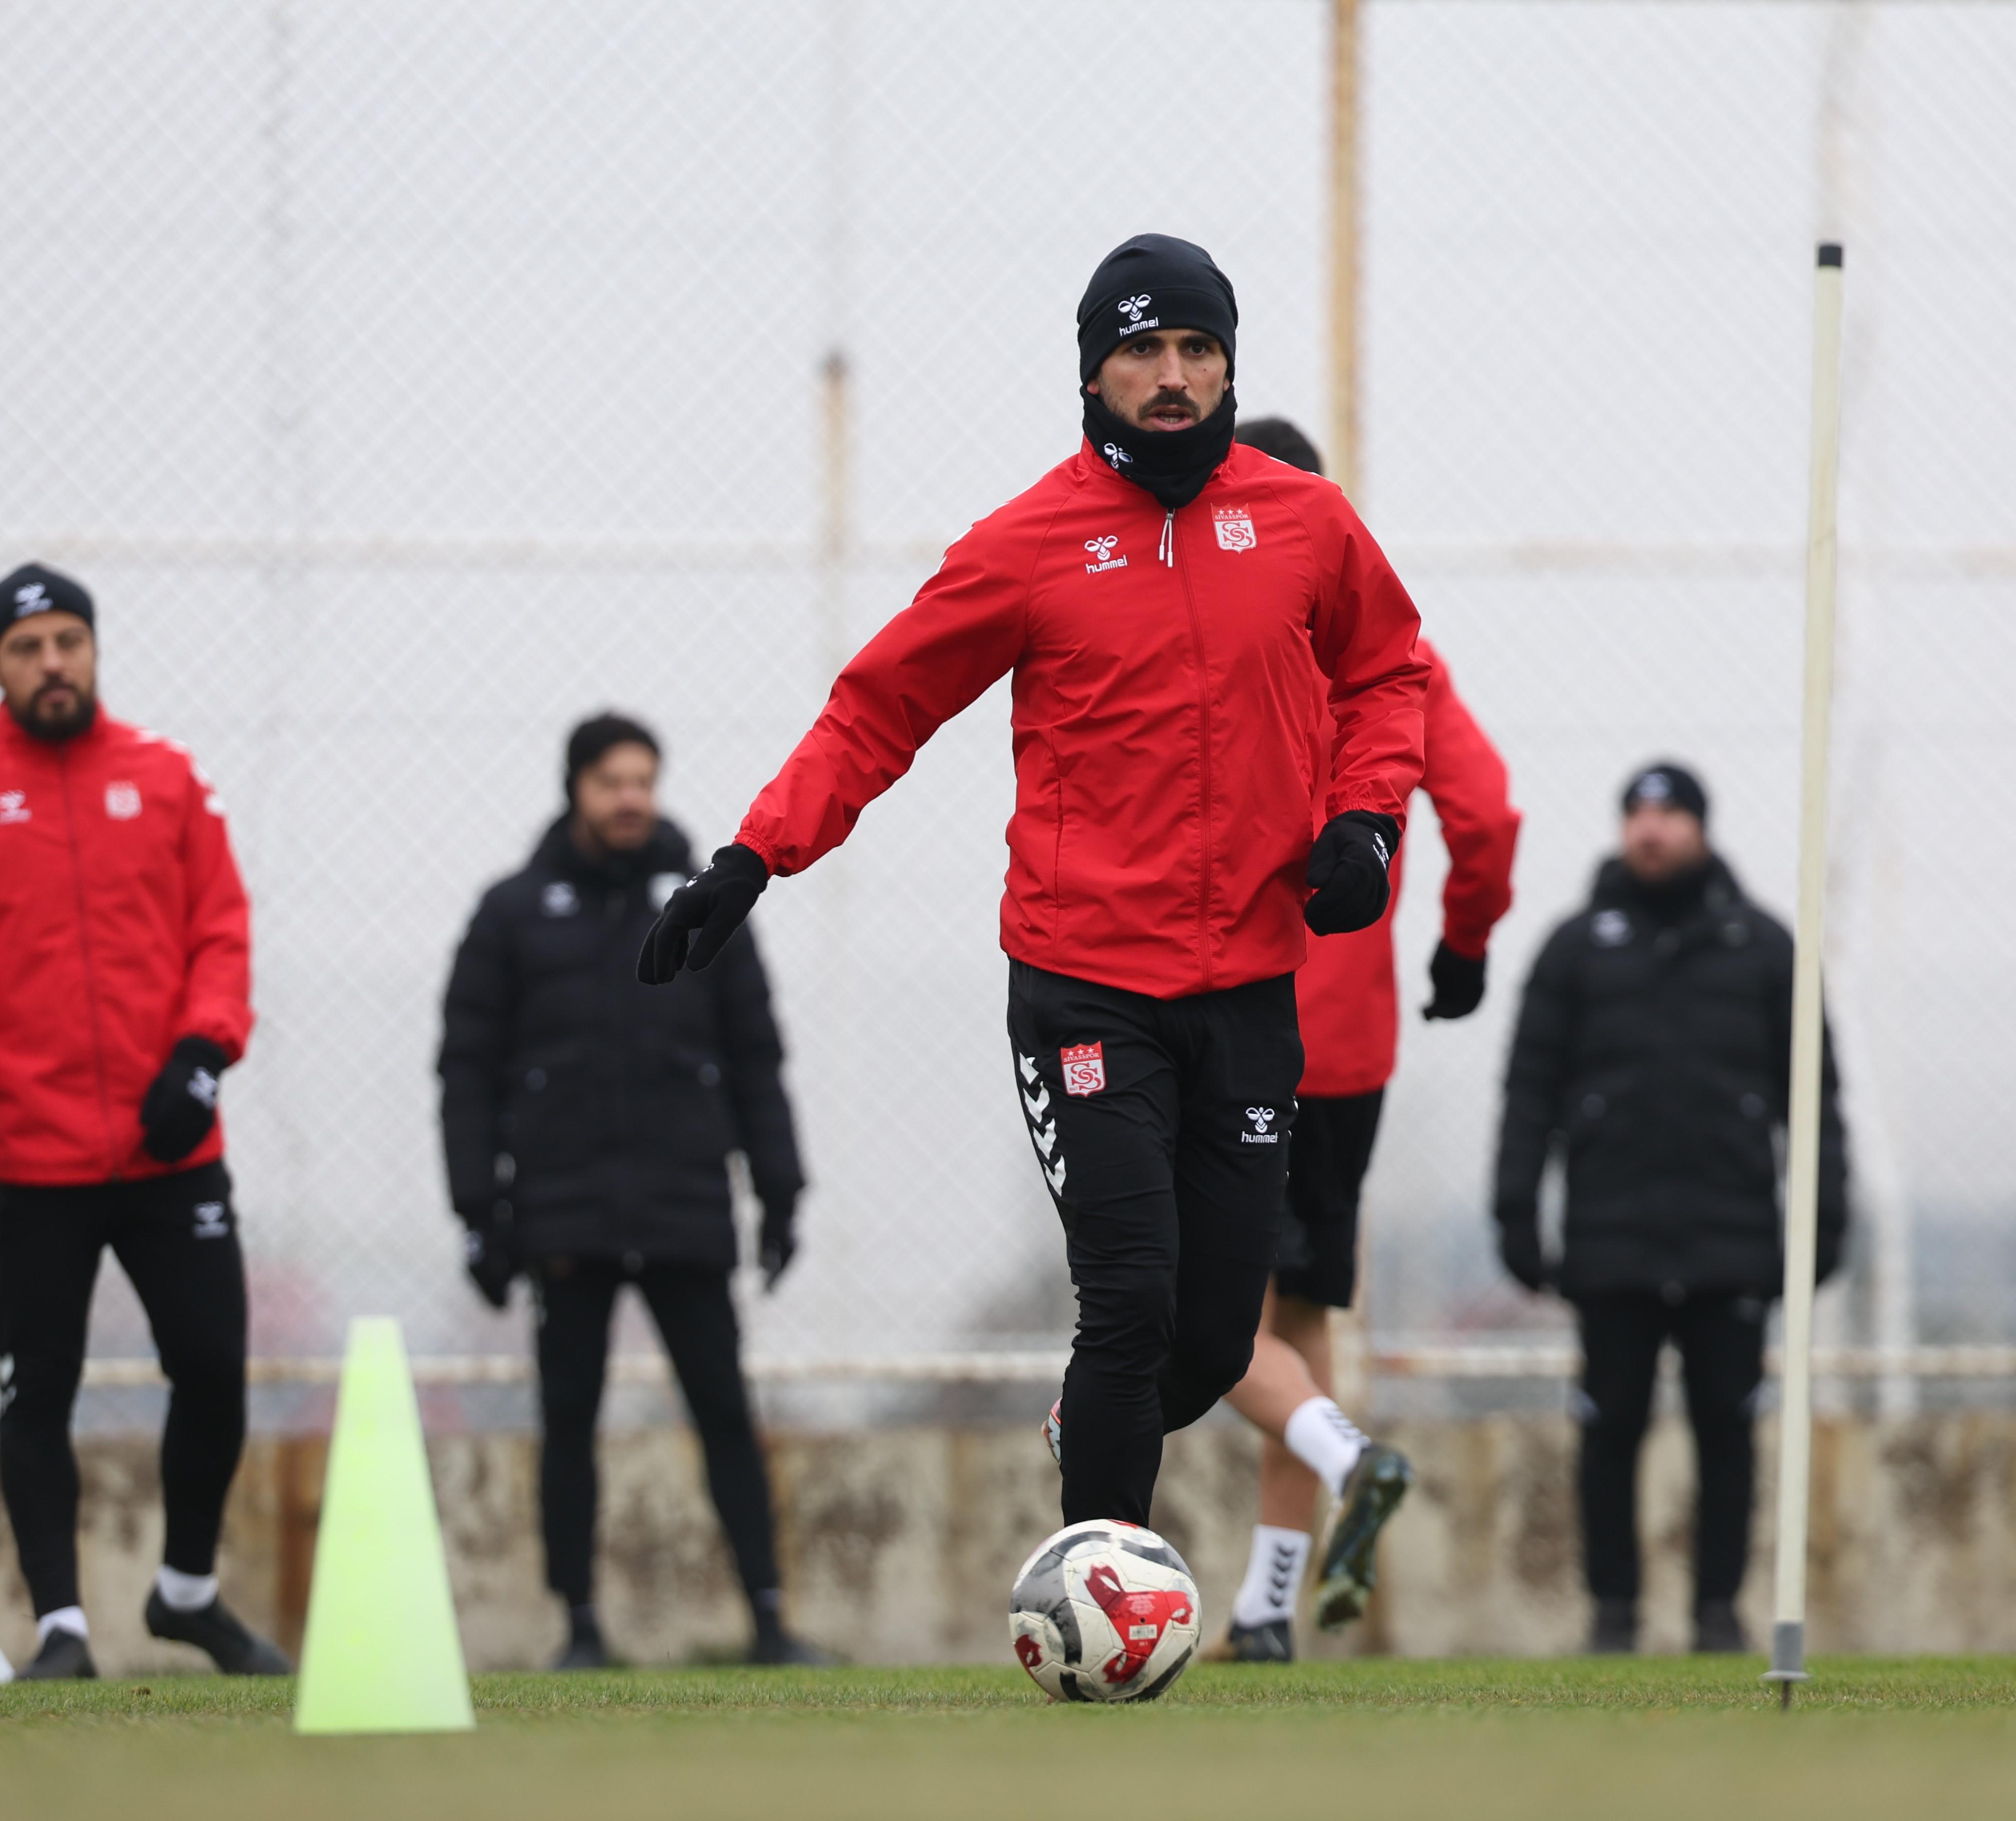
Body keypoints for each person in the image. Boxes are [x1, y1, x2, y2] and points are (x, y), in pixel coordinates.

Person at [640, 235, 1431, 1540]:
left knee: (1215, 1332)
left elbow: (1389, 671)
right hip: (1086, 987)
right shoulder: (1027, 545)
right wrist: (754, 855)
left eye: (1197, 349)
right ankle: (1101, 1584)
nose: (1172, 377)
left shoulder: (1306, 521)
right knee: (1129, 1297)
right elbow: (878, 709)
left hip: (1250, 983)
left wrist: (1366, 819)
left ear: (1227, 364)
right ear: (1093, 371)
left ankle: (1092, 1431)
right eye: (1143, 350)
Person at [0, 562, 286, 1681]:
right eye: (27, 649)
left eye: (68, 640)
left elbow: (222, 930)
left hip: (172, 1149)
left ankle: (187, 1592)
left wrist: (202, 1055)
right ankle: (60, 1626)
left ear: (94, 649)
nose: (52, 663)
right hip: (35, 1155)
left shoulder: (167, 779)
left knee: (213, 1366)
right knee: (37, 1391)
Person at [1207, 417, 1523, 1661]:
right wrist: (1462, 942)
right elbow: (1485, 813)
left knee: (1185, 1307)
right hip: (1351, 1047)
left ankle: (1347, 1456)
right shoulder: (1394, 653)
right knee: (1296, 1319)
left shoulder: (1215, 636)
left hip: (1232, 1015)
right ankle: (1267, 1610)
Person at [438, 713, 827, 1669]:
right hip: (562, 1215)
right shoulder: (511, 914)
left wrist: (780, 1193)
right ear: (576, 787)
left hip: (684, 1204)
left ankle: (769, 1620)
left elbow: (756, 1056)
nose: (630, 799)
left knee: (725, 1413)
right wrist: (478, 1211)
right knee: (569, 1421)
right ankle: (578, 1626)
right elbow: (467, 1069)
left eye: (643, 782)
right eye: (612, 781)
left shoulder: (707, 907)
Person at [1492, 763, 1848, 1654]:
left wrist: (1824, 1223)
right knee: (1608, 1429)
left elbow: (1816, 1102)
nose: (1651, 830)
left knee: (1727, 1431)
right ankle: (1612, 1614)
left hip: (1732, 1242)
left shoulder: (1763, 948)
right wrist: (1515, 1214)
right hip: (1610, 1242)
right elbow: (1528, 1093)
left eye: (1669, 814)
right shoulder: (1575, 949)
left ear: (1700, 826)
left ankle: (1718, 1614)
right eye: (1638, 815)